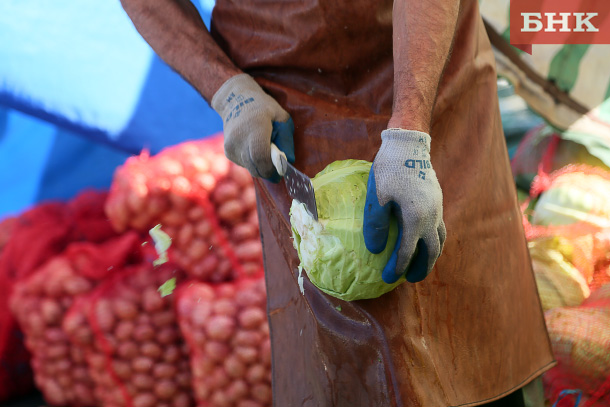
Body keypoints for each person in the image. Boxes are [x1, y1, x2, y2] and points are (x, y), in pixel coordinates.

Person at [119, 0, 555, 405]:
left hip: (428, 65)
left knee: (471, 317)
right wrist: (226, 90)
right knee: (350, 351)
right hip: (288, 108)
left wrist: (409, 133)